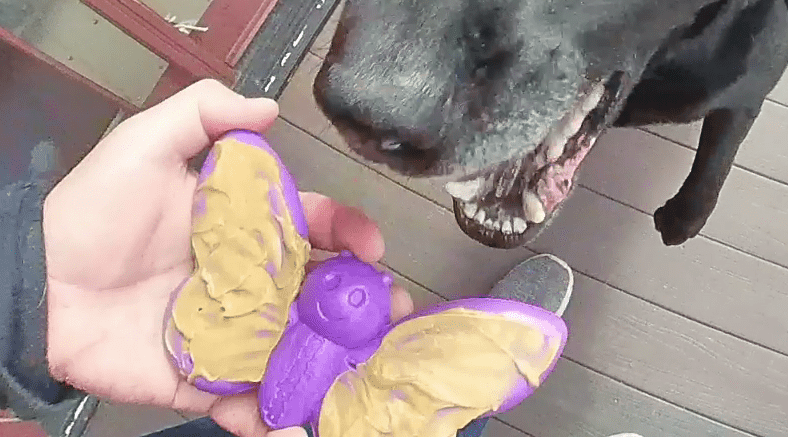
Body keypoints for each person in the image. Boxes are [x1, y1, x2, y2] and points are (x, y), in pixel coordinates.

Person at [0, 80, 580, 437]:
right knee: (420, 402)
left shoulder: (273, 285)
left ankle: (459, 403)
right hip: (341, 405)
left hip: (234, 353)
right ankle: (460, 388)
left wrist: (34, 293)